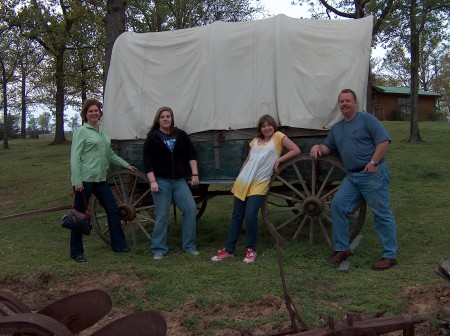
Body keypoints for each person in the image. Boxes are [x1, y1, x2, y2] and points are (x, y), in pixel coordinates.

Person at [310, 88, 398, 270]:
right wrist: (318, 147)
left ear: (355, 103)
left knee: (381, 213)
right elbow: (328, 147)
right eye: (341, 101)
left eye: (348, 100)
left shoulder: (367, 120)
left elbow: (383, 141)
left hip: (372, 174)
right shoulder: (337, 128)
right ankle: (342, 248)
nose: (344, 104)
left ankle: (390, 255)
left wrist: (374, 162)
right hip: (353, 176)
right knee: (338, 206)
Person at [211, 114, 301, 263]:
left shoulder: (278, 137)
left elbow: (295, 150)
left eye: (269, 124)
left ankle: (251, 249)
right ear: (260, 128)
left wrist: (279, 159)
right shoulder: (254, 141)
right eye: (263, 126)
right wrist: (240, 175)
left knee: (250, 215)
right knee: (236, 216)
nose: (267, 128)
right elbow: (248, 160)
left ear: (273, 126)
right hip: (244, 181)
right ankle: (229, 250)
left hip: (260, 182)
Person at [70, 98, 137, 263]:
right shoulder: (81, 131)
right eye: (90, 111)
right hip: (84, 180)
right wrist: (77, 181)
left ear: (100, 113)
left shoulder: (103, 131)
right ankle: (76, 252)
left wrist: (126, 164)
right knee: (79, 216)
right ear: (85, 114)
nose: (94, 113)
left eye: (96, 110)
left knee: (113, 210)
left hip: (100, 179)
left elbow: (110, 154)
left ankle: (119, 245)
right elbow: (75, 158)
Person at [143, 107, 200, 260]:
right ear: (158, 120)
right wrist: (153, 181)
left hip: (179, 180)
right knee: (162, 215)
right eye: (162, 117)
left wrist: (195, 174)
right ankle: (158, 248)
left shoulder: (180, 135)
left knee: (190, 208)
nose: (166, 119)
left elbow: (190, 154)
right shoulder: (153, 137)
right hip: (161, 181)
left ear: (172, 119)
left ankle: (189, 246)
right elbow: (148, 162)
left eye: (168, 116)